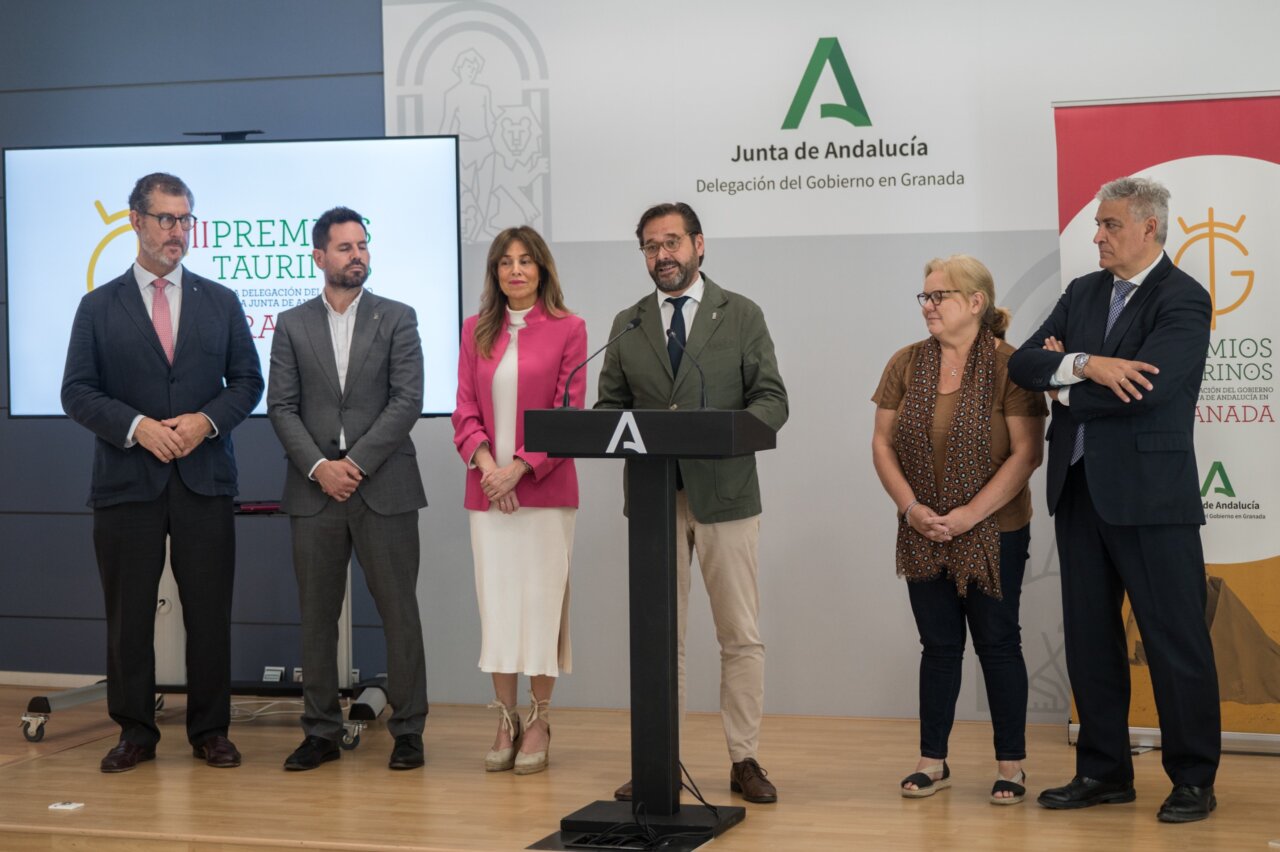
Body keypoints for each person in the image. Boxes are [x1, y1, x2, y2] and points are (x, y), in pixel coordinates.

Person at [1008, 176, 1220, 823]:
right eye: (1097, 225)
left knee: (1174, 642)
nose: (1096, 236)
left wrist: (1063, 379)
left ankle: (1192, 779)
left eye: (1109, 225)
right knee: (1091, 641)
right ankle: (1103, 772)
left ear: (1148, 228)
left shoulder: (1183, 299)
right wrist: (1088, 365)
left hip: (1153, 501)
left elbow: (1147, 390)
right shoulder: (1081, 292)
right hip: (1078, 495)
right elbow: (1022, 363)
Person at [61, 172, 264, 772]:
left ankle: (210, 731)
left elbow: (248, 383)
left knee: (209, 612)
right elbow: (76, 391)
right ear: (136, 222)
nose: (177, 232)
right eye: (166, 219)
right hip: (127, 481)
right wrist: (137, 427)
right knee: (128, 617)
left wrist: (205, 421)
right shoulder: (97, 306)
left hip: (204, 479)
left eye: (184, 219)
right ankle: (135, 733)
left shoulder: (221, 301)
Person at [596, 202, 788, 804]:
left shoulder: (741, 314)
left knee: (739, 634)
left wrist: (731, 433)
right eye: (651, 247)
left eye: (673, 242)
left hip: (725, 494)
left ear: (699, 245)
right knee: (660, 638)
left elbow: (771, 399)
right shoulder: (629, 324)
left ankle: (744, 758)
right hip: (655, 500)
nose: (663, 256)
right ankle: (660, 760)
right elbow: (607, 411)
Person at [870, 255, 1046, 804]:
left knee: (998, 644)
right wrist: (910, 509)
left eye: (938, 296)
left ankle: (1011, 766)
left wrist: (970, 516)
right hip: (922, 529)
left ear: (976, 302)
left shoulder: (1012, 367)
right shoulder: (905, 363)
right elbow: (881, 444)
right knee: (939, 646)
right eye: (923, 296)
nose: (928, 306)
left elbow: (1027, 454)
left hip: (995, 533)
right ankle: (932, 761)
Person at [267, 207, 429, 772]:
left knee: (399, 614)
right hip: (314, 491)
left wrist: (353, 462)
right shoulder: (290, 323)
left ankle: (408, 731)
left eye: (362, 245)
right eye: (344, 247)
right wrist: (320, 467)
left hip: (383, 485)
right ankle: (320, 733)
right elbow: (281, 408)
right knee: (316, 617)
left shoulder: (398, 317)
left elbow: (406, 400)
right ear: (319, 257)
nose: (357, 254)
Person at [451, 226, 587, 775]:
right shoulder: (473, 331)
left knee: (543, 606)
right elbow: (464, 411)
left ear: (542, 269)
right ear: (495, 273)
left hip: (545, 494)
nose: (515, 270)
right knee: (500, 607)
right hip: (489, 497)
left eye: (526, 261)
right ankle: (505, 718)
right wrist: (490, 470)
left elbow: (569, 412)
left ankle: (540, 718)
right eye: (505, 262)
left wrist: (520, 471)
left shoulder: (569, 329)